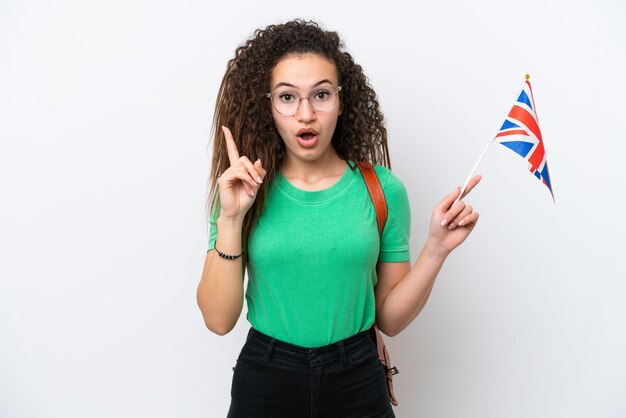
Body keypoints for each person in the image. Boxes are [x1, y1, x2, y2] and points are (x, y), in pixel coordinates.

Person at [196, 19, 481, 418]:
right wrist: (230, 219)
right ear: (269, 106)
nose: (306, 114)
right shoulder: (242, 191)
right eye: (287, 97)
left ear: (342, 101)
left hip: (357, 378)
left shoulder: (381, 191)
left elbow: (390, 320)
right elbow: (218, 319)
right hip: (266, 376)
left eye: (321, 94)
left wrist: (435, 249)